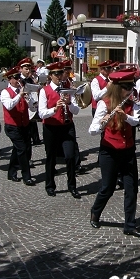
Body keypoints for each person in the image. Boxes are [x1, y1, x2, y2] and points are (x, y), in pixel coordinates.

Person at [89, 70, 140, 238]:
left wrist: (127, 117)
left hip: (128, 151)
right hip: (109, 152)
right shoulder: (104, 103)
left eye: (131, 87)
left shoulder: (131, 104)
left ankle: (129, 224)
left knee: (131, 188)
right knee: (108, 188)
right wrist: (102, 123)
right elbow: (92, 130)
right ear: (117, 88)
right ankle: (95, 211)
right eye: (126, 87)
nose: (130, 90)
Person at [38, 62, 81, 198]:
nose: (59, 76)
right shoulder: (44, 91)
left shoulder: (68, 89)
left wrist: (69, 103)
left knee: (70, 156)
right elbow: (41, 113)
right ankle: (50, 185)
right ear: (50, 76)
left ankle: (72, 186)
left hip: (67, 127)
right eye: (56, 74)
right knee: (51, 158)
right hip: (50, 127)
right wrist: (54, 109)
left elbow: (77, 110)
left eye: (60, 73)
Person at [1, 66, 36, 186]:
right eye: (15, 78)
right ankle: (27, 176)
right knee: (22, 150)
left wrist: (30, 100)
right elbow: (9, 105)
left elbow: (32, 108)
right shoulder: (5, 92)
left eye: (18, 78)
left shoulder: (22, 91)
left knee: (18, 149)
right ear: (9, 79)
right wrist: (19, 95)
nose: (18, 81)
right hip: (12, 126)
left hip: (24, 124)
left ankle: (11, 172)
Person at [18, 58, 43, 148]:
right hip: (21, 107)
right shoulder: (18, 80)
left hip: (31, 106)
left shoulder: (30, 79)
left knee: (31, 126)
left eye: (29, 69)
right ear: (21, 69)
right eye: (26, 69)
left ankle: (35, 139)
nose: (28, 71)